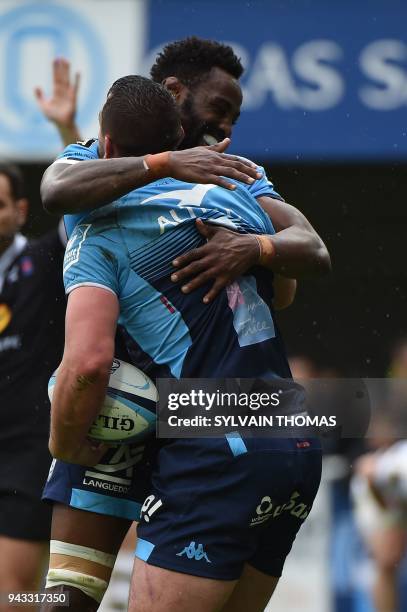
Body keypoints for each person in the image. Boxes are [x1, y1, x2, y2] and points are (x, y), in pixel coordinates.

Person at [38, 40, 330, 610]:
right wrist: (166, 166)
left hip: (196, 415)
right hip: (128, 409)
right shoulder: (102, 164)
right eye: (219, 110)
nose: (225, 128)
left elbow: (297, 268)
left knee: (65, 597)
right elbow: (55, 191)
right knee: (63, 596)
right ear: (175, 97)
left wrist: (254, 249)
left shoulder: (236, 180)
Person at [0, 163, 65, 606]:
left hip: (25, 460)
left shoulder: (41, 262)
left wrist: (69, 129)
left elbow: (85, 201)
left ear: (20, 210)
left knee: (13, 598)